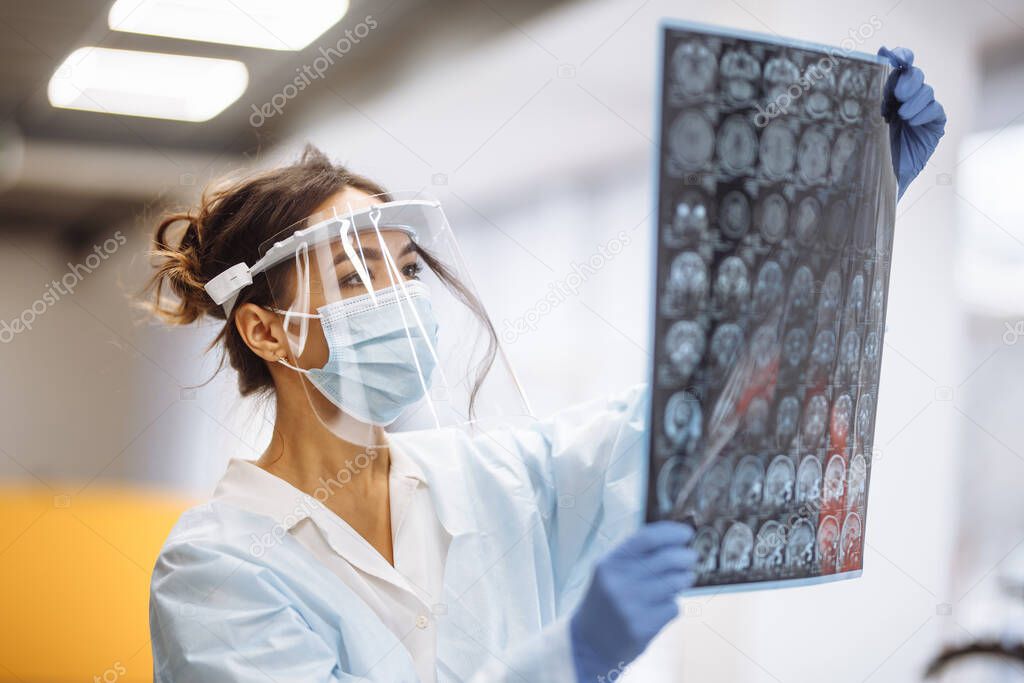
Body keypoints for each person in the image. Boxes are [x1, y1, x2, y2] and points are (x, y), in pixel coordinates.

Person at [147, 46, 944, 683]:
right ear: (266, 331)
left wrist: (852, 215)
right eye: (357, 279)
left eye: (407, 270)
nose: (400, 301)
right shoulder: (215, 568)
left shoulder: (501, 479)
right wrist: (569, 657)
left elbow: (703, 407)